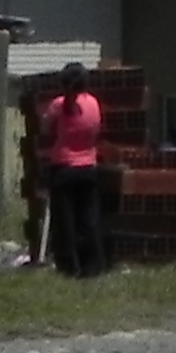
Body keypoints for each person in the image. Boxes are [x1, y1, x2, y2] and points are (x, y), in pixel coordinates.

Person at [34, 68, 108, 276]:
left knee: (65, 221)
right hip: (89, 167)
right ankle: (91, 265)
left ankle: (69, 267)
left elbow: (45, 127)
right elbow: (97, 129)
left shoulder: (58, 104)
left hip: (64, 166)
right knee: (88, 219)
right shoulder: (94, 103)